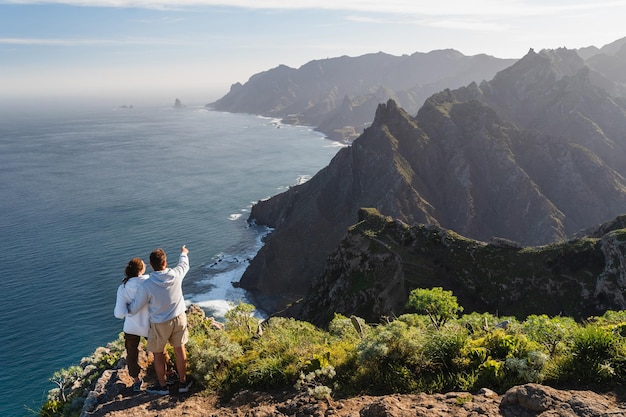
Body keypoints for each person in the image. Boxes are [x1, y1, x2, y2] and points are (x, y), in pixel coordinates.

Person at [128, 245, 192, 395]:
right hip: (178, 318)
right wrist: (183, 253)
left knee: (158, 353)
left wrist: (126, 309)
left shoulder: (147, 285)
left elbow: (136, 307)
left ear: (151, 265)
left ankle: (163, 386)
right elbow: (184, 264)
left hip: (159, 323)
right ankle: (183, 383)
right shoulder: (176, 274)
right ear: (165, 262)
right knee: (179, 349)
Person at [113, 258, 149, 392]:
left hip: (131, 326)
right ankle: (168, 373)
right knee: (158, 350)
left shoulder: (123, 287)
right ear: (141, 269)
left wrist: (130, 307)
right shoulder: (148, 282)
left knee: (131, 354)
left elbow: (119, 313)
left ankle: (136, 380)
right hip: (148, 324)